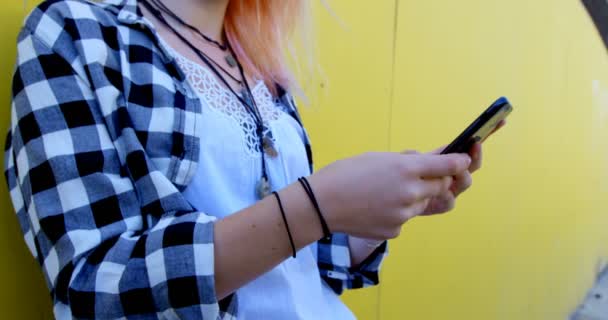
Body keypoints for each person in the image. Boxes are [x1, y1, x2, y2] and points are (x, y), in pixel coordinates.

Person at [4, 0, 498, 318]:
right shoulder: (77, 32)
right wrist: (318, 204)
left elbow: (291, 266)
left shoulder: (256, 63)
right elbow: (92, 287)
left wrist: (372, 217)